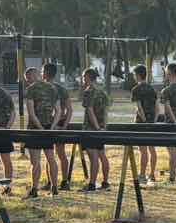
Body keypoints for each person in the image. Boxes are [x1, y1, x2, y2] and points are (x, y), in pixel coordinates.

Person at [21, 65, 60, 198]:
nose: (27, 81)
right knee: (51, 159)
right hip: (49, 127)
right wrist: (51, 127)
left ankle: (34, 189)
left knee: (35, 162)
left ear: (32, 76)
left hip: (35, 129)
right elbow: (58, 111)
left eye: (28, 78)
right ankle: (55, 187)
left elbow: (31, 113)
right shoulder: (52, 88)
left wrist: (40, 128)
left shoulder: (31, 89)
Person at [79, 68, 111, 190]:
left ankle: (92, 184)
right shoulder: (102, 91)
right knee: (102, 155)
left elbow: (90, 110)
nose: (83, 79)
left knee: (93, 157)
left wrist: (96, 127)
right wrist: (103, 126)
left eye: (84, 77)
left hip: (91, 129)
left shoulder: (88, 91)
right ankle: (105, 182)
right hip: (101, 127)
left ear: (88, 77)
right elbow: (106, 111)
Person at [44, 62, 75, 191]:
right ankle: (62, 181)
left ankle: (53, 182)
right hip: (59, 123)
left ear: (45, 73)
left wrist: (63, 126)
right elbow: (70, 110)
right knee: (59, 154)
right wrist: (64, 126)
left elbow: (69, 110)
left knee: (50, 154)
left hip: (49, 124)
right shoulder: (61, 89)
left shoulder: (43, 88)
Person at [130, 66, 159, 184]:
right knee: (152, 149)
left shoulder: (136, 89)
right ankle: (152, 174)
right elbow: (157, 108)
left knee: (143, 151)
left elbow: (139, 108)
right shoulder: (152, 89)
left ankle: (142, 175)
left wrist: (144, 121)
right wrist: (153, 121)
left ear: (137, 75)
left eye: (134, 74)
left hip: (141, 123)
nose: (133, 76)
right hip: (152, 121)